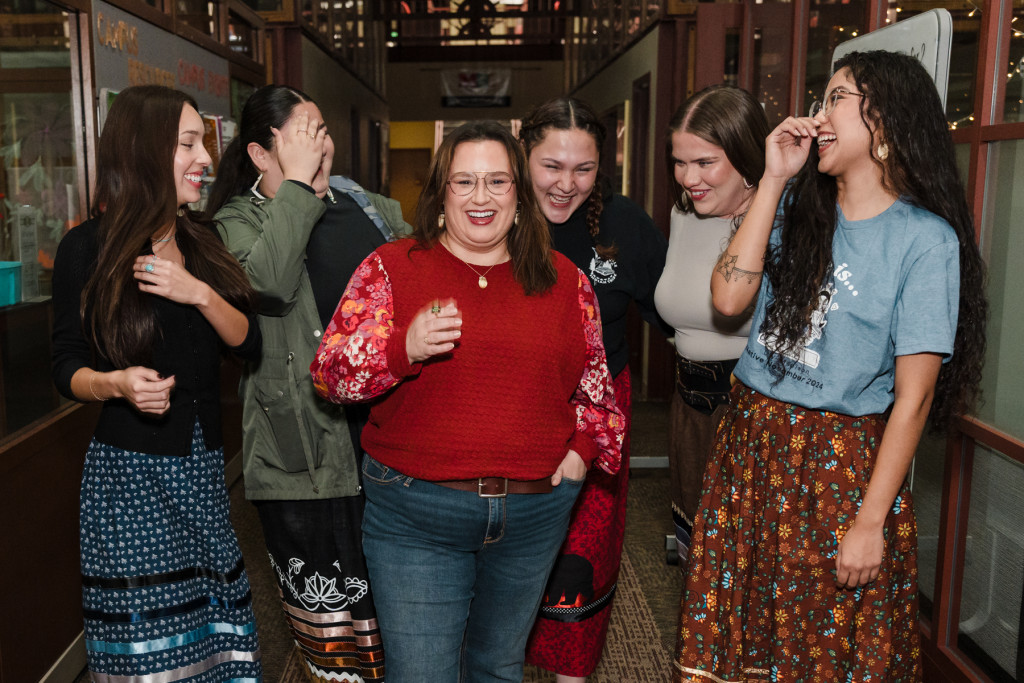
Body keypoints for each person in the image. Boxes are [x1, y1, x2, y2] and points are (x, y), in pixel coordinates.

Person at [674, 50, 987, 682]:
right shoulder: (794, 209)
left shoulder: (925, 241)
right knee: (742, 630)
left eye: (837, 98)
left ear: (887, 124)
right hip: (752, 444)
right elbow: (729, 298)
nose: (819, 114)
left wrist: (870, 522)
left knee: (821, 646)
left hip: (838, 465)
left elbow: (915, 399)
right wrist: (773, 180)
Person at [309, 120, 624, 683]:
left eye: (498, 181)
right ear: (441, 192)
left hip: (534, 513)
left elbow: (597, 391)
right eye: (464, 181)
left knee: (498, 669)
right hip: (416, 515)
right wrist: (401, 347)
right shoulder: (391, 267)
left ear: (519, 196)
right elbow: (330, 376)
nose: (482, 197)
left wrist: (578, 452)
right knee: (423, 674)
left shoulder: (565, 279)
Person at [50, 85, 262, 680]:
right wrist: (115, 383)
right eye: (188, 144)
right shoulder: (85, 249)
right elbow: (65, 366)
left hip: (203, 470)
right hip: (129, 480)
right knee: (149, 642)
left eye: (203, 143)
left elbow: (249, 342)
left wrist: (197, 291)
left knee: (218, 634)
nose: (205, 160)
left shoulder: (203, 239)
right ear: (144, 151)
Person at [207, 84, 408, 682]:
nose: (320, 145)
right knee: (333, 630)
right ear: (261, 154)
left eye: (323, 131)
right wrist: (298, 189)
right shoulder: (236, 222)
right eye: (302, 134)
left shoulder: (373, 208)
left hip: (389, 442)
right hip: (302, 451)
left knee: (407, 612)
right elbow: (268, 284)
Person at [519, 96, 669, 681]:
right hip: (515, 410)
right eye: (551, 166)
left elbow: (677, 313)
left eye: (583, 169)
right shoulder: (490, 213)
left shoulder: (623, 223)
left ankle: (571, 674)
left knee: (581, 556)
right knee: (503, 555)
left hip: (602, 409)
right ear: (523, 153)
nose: (566, 184)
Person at [654, 86, 769, 564]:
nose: (688, 178)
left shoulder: (782, 220)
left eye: (705, 162)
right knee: (698, 566)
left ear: (746, 156)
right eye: (681, 162)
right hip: (689, 410)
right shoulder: (686, 212)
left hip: (752, 416)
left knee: (746, 570)